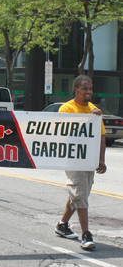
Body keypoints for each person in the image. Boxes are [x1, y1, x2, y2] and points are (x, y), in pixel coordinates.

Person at [55, 75, 106, 251]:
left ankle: (62, 224)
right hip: (72, 160)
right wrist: (88, 121)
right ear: (75, 89)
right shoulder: (66, 108)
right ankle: (86, 235)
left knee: (78, 195)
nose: (88, 92)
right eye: (85, 88)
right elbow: (64, 134)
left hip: (89, 161)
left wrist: (101, 160)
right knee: (80, 196)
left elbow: (101, 136)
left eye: (90, 88)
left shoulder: (94, 110)